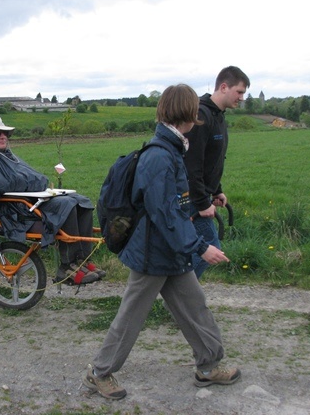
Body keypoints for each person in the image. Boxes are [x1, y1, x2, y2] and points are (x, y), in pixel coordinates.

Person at [82, 84, 240, 400]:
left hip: (171, 251)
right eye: (195, 108)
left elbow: (175, 207)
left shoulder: (173, 148)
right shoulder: (159, 156)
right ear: (188, 112)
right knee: (131, 317)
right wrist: (199, 246)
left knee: (195, 308)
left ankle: (208, 367)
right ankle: (99, 373)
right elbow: (165, 213)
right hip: (152, 254)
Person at [0, 115, 105, 285]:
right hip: (12, 211)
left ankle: (82, 260)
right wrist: (24, 184)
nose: (3, 136)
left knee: (81, 201)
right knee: (67, 204)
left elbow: (37, 179)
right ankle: (67, 266)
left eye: (5, 133)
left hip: (27, 202)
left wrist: (25, 184)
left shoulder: (7, 155)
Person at [185, 66, 250, 279]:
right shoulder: (202, 115)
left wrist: (217, 190)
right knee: (210, 246)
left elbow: (212, 160)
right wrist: (203, 202)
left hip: (204, 194)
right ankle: (178, 295)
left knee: (194, 247)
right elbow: (192, 165)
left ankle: (178, 296)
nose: (242, 97)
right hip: (192, 197)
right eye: (239, 92)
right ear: (224, 87)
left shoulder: (219, 115)